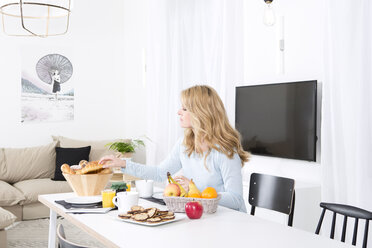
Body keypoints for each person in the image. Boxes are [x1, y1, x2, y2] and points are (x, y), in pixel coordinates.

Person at [99, 85, 250, 212]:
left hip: (230, 220)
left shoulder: (225, 150)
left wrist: (195, 191)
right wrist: (123, 164)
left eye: (184, 108)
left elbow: (236, 199)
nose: (179, 112)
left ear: (201, 113)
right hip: (203, 216)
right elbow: (160, 173)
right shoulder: (185, 144)